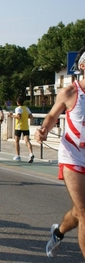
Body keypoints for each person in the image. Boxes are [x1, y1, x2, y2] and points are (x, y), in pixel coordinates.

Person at [34, 47, 85, 259]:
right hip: (72, 155)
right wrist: (44, 129)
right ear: (82, 66)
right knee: (84, 213)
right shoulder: (70, 92)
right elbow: (53, 116)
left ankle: (58, 232)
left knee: (78, 211)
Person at [8, 96, 34, 163]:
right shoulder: (26, 108)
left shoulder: (18, 109)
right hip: (25, 127)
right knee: (27, 141)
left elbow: (18, 117)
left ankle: (18, 156)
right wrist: (25, 117)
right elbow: (31, 117)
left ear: (18, 102)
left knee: (16, 141)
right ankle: (31, 153)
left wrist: (11, 116)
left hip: (19, 127)